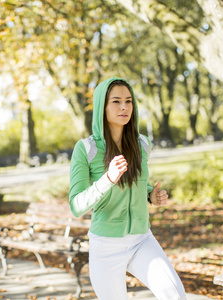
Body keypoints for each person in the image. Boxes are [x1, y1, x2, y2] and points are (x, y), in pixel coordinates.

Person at [69, 77, 186, 300]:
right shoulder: (86, 149)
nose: (124, 107)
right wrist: (108, 178)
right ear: (102, 107)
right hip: (105, 247)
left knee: (175, 295)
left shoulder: (142, 144)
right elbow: (77, 205)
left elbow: (140, 183)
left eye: (129, 101)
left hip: (141, 239)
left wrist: (151, 195)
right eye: (116, 101)